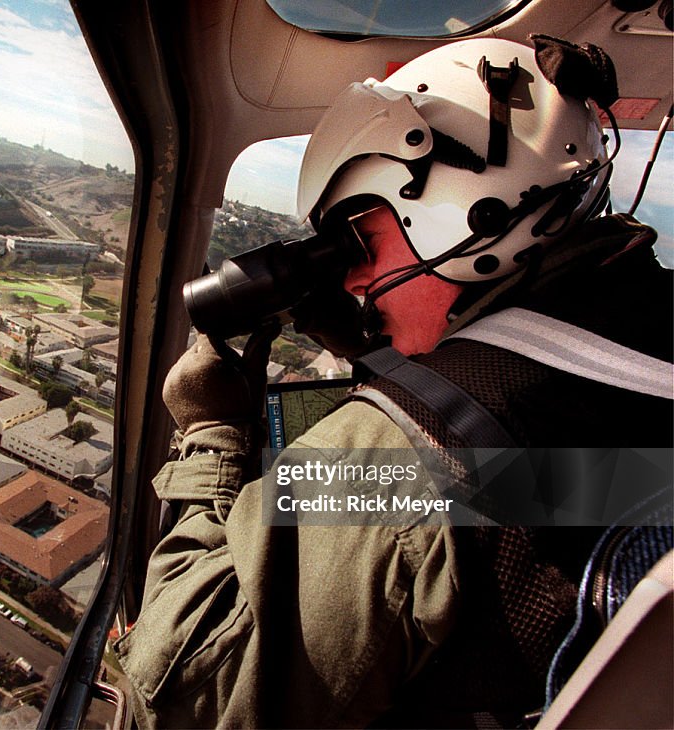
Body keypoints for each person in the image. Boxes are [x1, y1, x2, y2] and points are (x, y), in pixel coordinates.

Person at [113, 36, 673, 728]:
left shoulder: (398, 457)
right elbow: (556, 476)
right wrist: (381, 348)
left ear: (470, 211)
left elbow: (177, 698)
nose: (351, 279)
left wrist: (212, 436)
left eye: (361, 241)